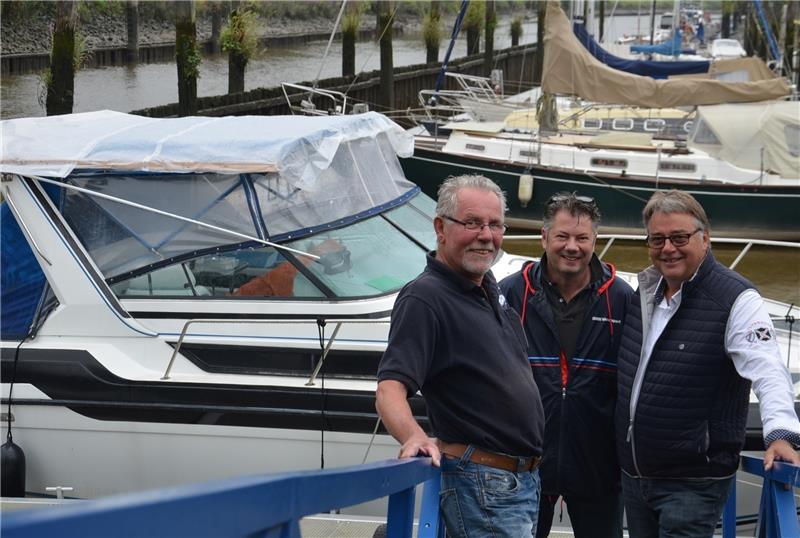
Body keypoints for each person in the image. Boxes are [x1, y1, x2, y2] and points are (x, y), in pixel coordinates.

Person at [616, 189, 800, 537]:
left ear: (705, 238)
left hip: (692, 482)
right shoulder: (645, 291)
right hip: (636, 475)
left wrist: (780, 434)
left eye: (679, 237)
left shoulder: (735, 298)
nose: (667, 248)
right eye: (657, 239)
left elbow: (768, 369)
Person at [376, 174, 545, 538]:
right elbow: (391, 387)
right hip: (483, 486)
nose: (486, 235)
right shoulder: (425, 298)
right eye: (472, 223)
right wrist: (414, 435)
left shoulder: (487, 288)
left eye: (495, 224)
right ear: (440, 227)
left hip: (518, 483)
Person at [499, 192, 633, 538]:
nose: (571, 247)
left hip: (599, 468)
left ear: (595, 241)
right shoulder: (511, 294)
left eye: (582, 238)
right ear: (544, 237)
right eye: (562, 236)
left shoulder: (621, 298)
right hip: (524, 466)